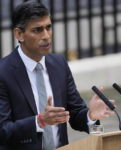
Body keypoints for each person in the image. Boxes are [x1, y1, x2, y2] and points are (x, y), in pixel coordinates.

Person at [0, 1, 114, 150]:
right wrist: (39, 121)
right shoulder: (4, 73)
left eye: (48, 27)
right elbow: (3, 131)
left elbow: (75, 113)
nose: (46, 36)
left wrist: (90, 116)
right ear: (19, 34)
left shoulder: (59, 64)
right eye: (37, 30)